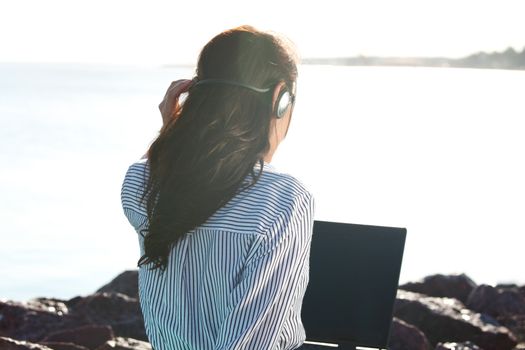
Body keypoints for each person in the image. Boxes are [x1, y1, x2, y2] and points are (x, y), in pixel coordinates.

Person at [121, 25, 316, 350]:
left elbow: (152, 168)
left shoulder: (141, 185)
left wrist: (170, 130)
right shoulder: (283, 202)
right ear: (280, 99)